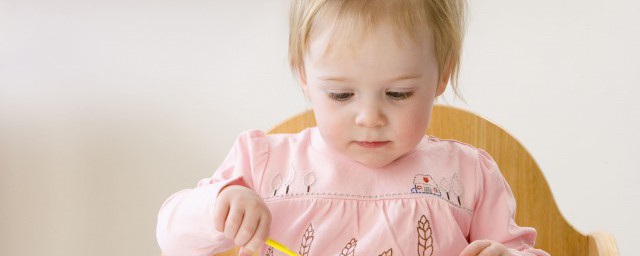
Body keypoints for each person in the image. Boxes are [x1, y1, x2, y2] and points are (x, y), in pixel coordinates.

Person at [157, 1, 549, 255]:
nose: (369, 118)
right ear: (305, 78)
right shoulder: (263, 164)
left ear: (441, 76)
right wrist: (219, 206)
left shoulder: (468, 176)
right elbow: (171, 237)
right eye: (342, 95)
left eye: (398, 94)